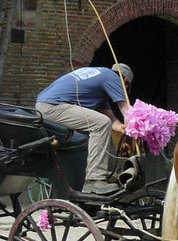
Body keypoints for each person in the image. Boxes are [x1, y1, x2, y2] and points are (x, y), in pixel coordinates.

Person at [36, 63, 133, 196]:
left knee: (103, 125)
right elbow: (126, 109)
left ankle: (111, 175)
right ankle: (94, 180)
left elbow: (110, 119)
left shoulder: (99, 82)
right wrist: (135, 129)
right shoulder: (112, 77)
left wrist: (122, 128)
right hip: (53, 106)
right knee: (100, 123)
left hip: (47, 105)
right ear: (125, 81)